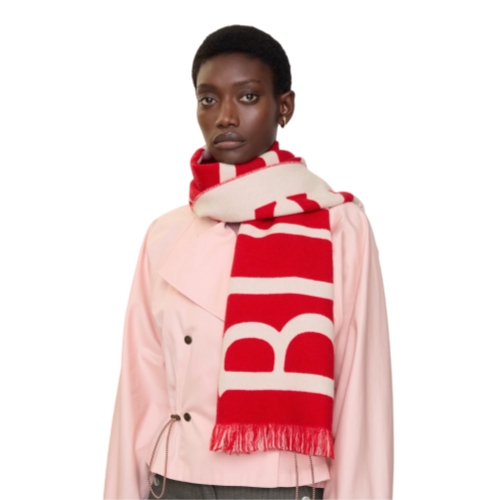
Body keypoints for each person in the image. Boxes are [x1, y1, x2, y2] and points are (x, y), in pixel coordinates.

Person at [104, 25, 393, 500]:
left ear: (285, 107)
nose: (225, 116)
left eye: (248, 96)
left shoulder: (338, 226)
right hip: (173, 483)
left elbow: (362, 393)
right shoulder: (166, 233)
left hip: (284, 487)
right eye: (208, 99)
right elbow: (140, 388)